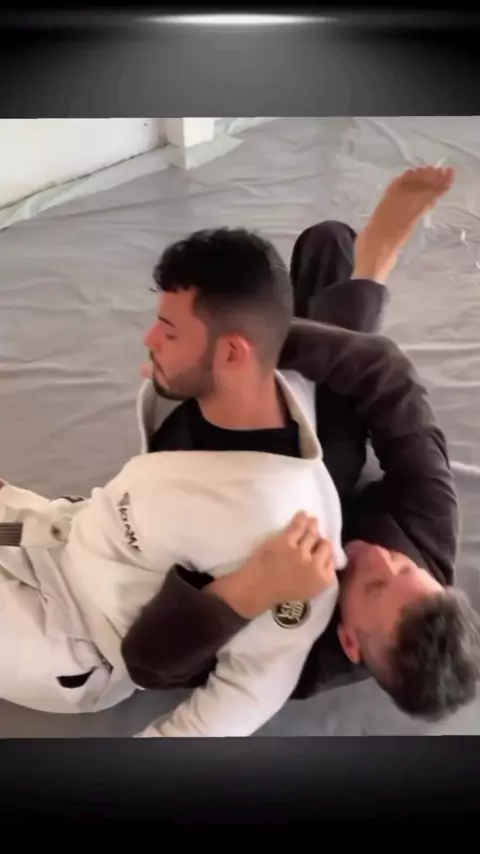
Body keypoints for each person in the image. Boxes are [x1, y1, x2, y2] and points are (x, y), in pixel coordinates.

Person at [0, 166, 478, 731]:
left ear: (350, 640)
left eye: (374, 584)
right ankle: (369, 267)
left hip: (84, 627)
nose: (375, 557)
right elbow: (387, 377)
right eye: (402, 566)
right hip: (67, 533)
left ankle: (354, 283)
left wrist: (252, 591)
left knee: (328, 453)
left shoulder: (308, 649)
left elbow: (155, 665)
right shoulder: (429, 526)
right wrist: (228, 351)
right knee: (329, 252)